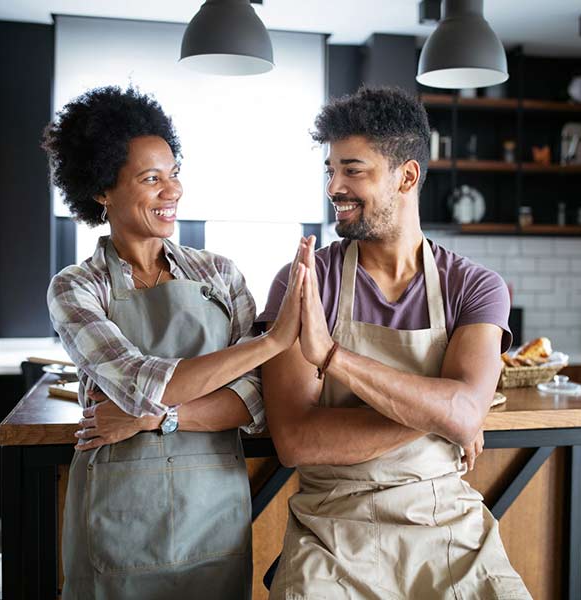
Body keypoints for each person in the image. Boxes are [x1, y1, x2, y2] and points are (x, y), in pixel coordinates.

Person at [258, 87, 532, 599]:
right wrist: (439, 413)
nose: (333, 186)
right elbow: (297, 441)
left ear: (407, 176)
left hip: (447, 524)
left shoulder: (474, 286)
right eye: (330, 171)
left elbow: (466, 414)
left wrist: (332, 356)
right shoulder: (304, 282)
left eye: (353, 170)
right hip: (332, 530)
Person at [43, 86, 305, 599]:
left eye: (174, 172)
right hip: (117, 519)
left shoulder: (221, 274)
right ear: (102, 190)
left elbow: (256, 399)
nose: (173, 191)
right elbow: (140, 382)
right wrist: (271, 341)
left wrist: (156, 419)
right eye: (151, 178)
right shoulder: (76, 287)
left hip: (212, 517)